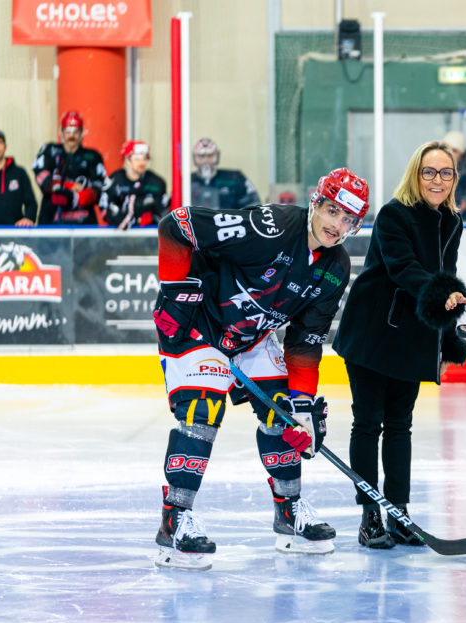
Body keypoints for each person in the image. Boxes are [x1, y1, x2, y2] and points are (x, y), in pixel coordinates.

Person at [151, 167, 370, 570]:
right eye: (333, 212)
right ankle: (174, 521)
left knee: (283, 413)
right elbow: (177, 225)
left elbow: (306, 339)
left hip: (251, 337)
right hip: (196, 326)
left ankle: (288, 514)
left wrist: (302, 406)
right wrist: (174, 292)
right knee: (203, 413)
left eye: (348, 220)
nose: (338, 226)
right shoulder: (269, 227)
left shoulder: (336, 266)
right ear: (316, 202)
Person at [332, 141, 466, 549]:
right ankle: (370, 515)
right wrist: (440, 292)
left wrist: (448, 343)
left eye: (445, 172)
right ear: (416, 174)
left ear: (454, 178)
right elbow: (403, 269)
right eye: (429, 172)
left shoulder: (452, 221)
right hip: (373, 333)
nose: (437, 180)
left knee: (400, 426)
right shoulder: (394, 214)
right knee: (368, 422)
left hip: (411, 335)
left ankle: (398, 512)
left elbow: (446, 275)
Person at [31, 111, 106, 225]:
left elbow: (98, 191)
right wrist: (71, 186)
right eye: (68, 131)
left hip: (83, 223)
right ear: (61, 131)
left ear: (82, 132)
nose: (71, 135)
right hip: (51, 221)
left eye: (76, 131)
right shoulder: (49, 150)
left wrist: (75, 197)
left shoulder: (93, 156)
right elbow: (44, 182)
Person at [100, 140, 170, 230]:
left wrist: (152, 217)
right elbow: (105, 209)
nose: (142, 163)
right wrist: (130, 220)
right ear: (127, 160)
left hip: (149, 236)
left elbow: (164, 214)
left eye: (145, 158)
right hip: (119, 237)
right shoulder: (114, 180)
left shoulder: (157, 182)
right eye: (137, 158)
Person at [190, 137, 261, 210]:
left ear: (217, 156)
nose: (206, 160)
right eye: (201, 156)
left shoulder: (235, 178)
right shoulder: (187, 182)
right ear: (194, 158)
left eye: (210, 156)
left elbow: (253, 205)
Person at [0, 129, 36, 226]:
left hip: (14, 235)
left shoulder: (19, 173)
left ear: (5, 147)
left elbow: (31, 203)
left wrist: (28, 218)